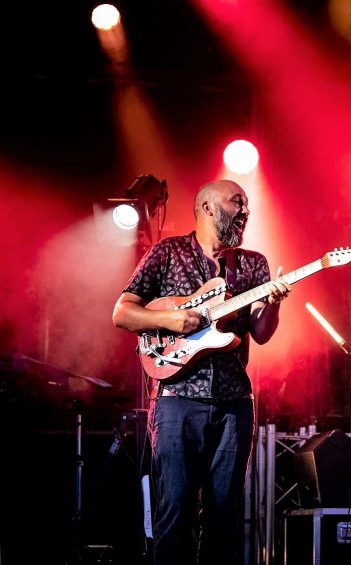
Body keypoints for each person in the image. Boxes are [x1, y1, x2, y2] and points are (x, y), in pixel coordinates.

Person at [112, 179, 291, 563]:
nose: (245, 211)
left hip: (233, 405)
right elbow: (122, 312)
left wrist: (273, 303)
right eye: (236, 203)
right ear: (208, 208)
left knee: (225, 518)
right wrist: (174, 321)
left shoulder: (253, 264)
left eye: (247, 205)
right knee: (175, 512)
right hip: (177, 403)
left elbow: (260, 334)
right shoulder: (168, 252)